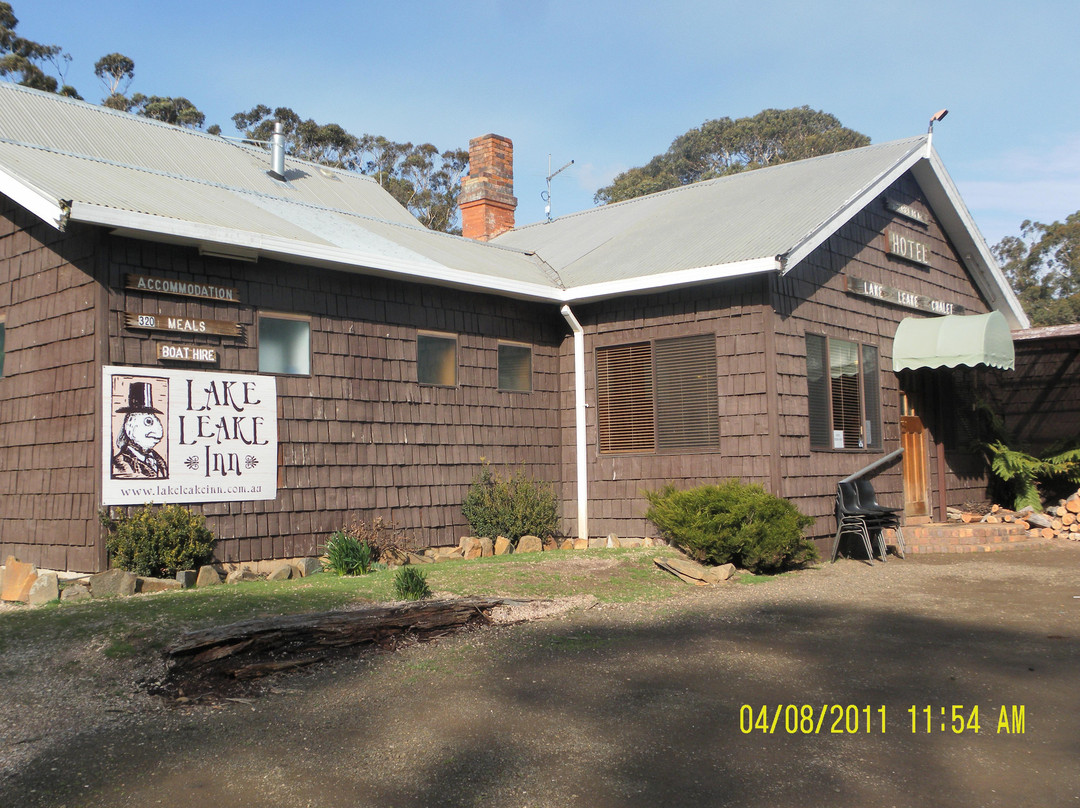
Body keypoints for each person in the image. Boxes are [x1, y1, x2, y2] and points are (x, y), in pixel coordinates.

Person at [111, 381, 169, 479]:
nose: (158, 431)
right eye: (148, 422)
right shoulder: (120, 463)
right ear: (129, 427)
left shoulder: (159, 461)